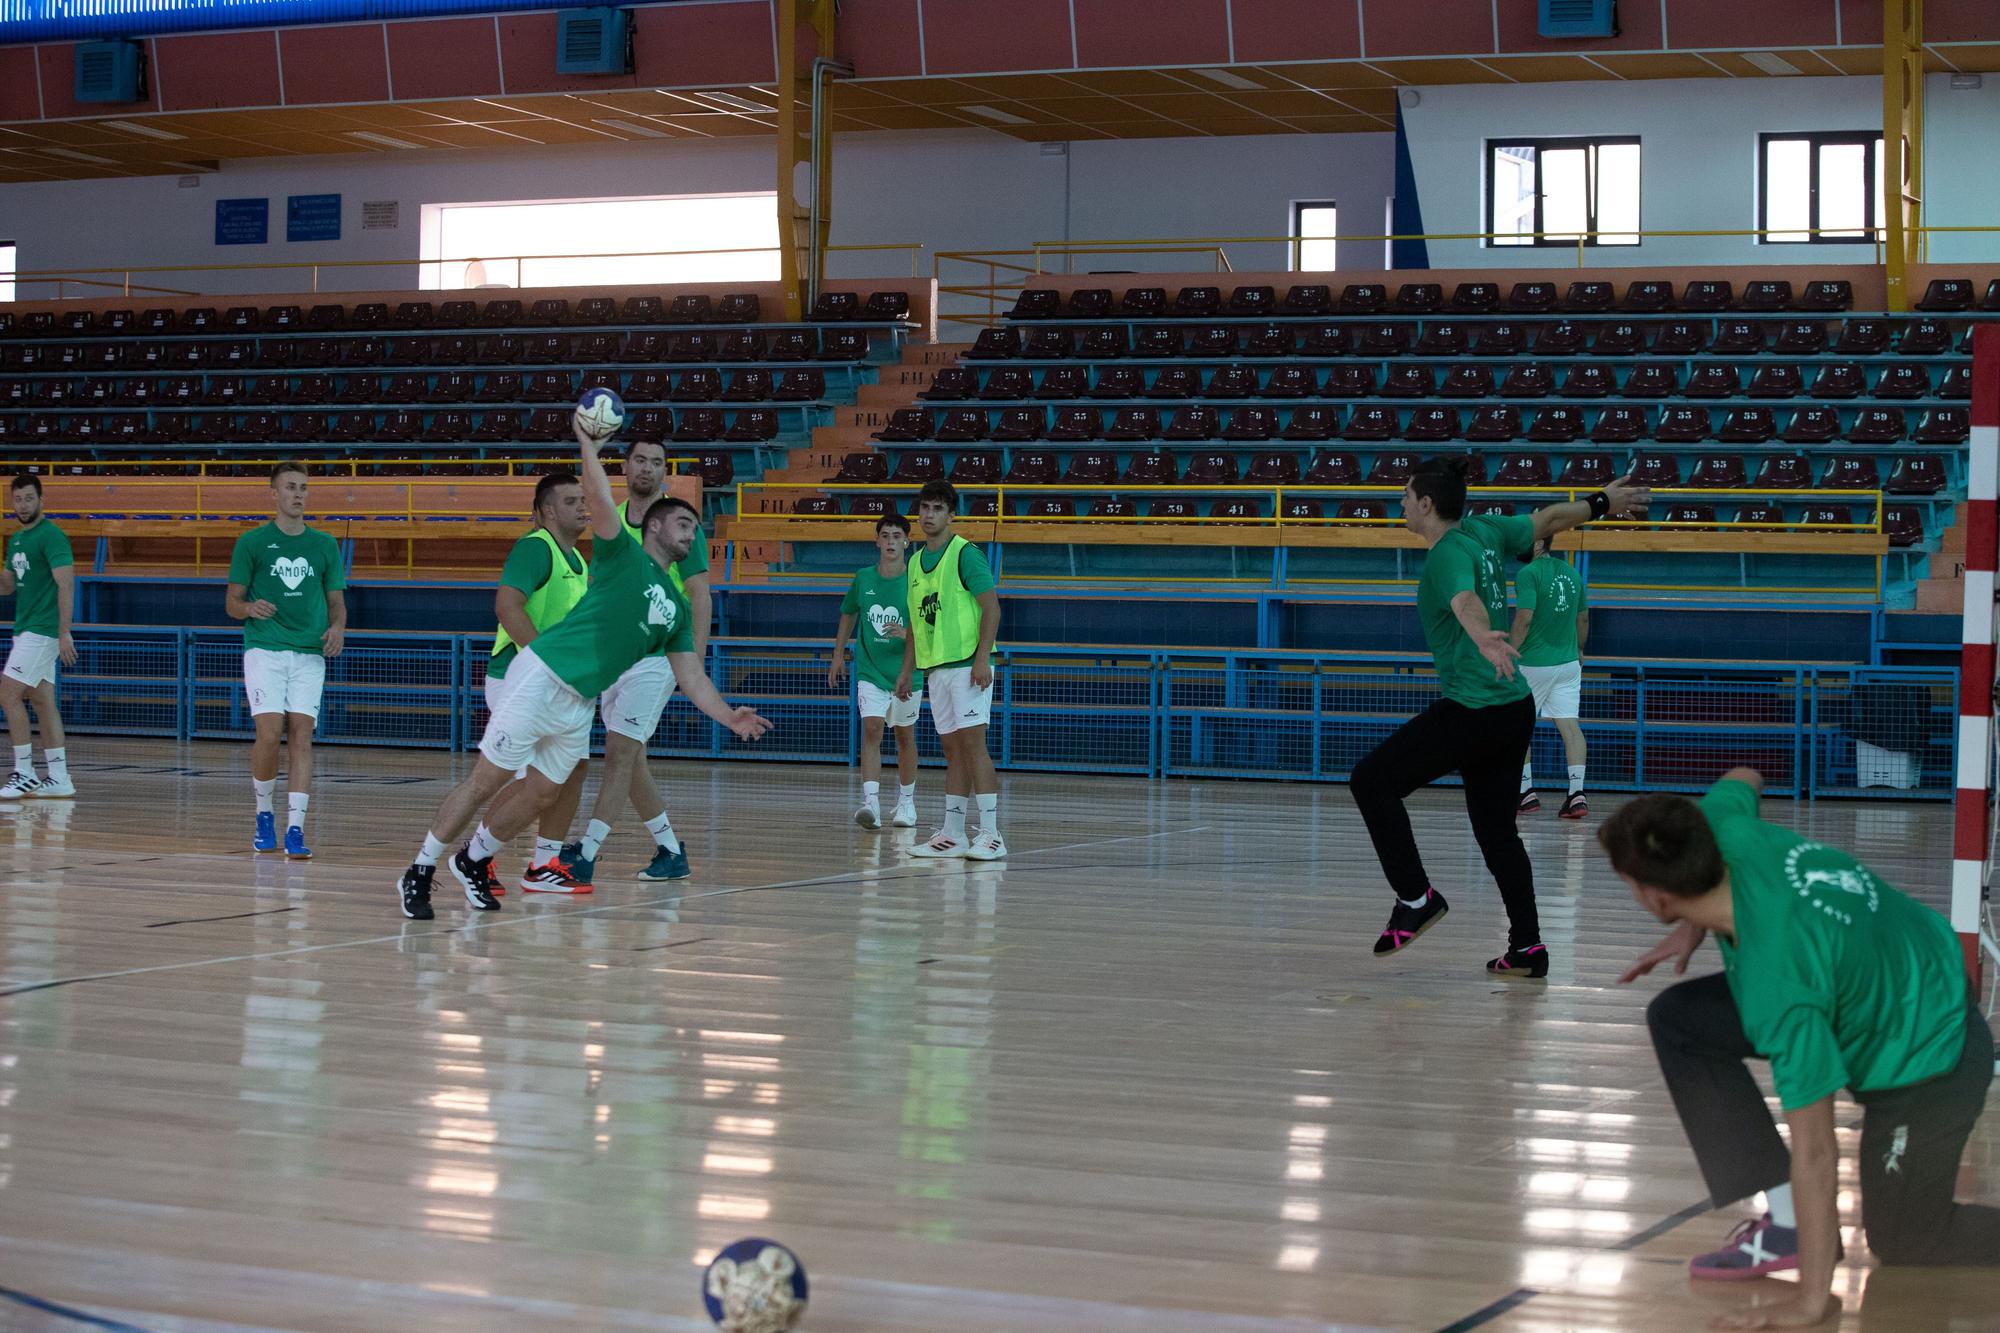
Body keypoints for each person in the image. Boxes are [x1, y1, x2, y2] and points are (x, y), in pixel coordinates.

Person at [1604, 771, 1999, 1328]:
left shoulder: (1780, 988)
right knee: (1681, 1020)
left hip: (1934, 1057)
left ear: (1658, 896)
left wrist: (1812, 1301)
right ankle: (1787, 1224)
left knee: (1909, 1238)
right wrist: (1693, 926)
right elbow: (1745, 775)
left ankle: (1815, 1239)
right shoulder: (1721, 826)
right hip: (1890, 977)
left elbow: (1816, 1152)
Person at [396, 420, 769, 920]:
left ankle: (475, 858)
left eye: (695, 529)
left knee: (545, 790)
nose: (691, 534)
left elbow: (692, 676)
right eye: (683, 524)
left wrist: (729, 717)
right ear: (654, 527)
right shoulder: (620, 555)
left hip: (579, 702)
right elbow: (594, 493)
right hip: (543, 676)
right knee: (488, 778)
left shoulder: (676, 613)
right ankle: (419, 869)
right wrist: (589, 447)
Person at [1354, 459, 1644, 978]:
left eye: (1404, 495)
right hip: (1513, 708)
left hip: (1474, 709)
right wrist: (1599, 503)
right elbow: (1549, 520)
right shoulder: (1486, 528)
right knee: (1497, 835)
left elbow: (1463, 598)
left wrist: (1483, 633)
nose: (1399, 503)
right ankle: (1528, 947)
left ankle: (1415, 898)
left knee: (1371, 781)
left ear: (1426, 504)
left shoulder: (1446, 553)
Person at [557, 436, 713, 887]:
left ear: (666, 472)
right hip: (616, 651)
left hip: (660, 652)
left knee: (619, 751)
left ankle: (585, 854)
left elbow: (700, 592)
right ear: (625, 467)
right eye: (640, 460)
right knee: (632, 756)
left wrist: (694, 664)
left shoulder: (679, 523)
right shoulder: (610, 521)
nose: (648, 468)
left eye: (657, 462)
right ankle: (670, 850)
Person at [225, 462, 346, 855]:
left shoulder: (325, 544)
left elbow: (336, 603)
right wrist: (249, 608)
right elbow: (232, 602)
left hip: (310, 652)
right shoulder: (252, 542)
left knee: (302, 734)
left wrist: (338, 629)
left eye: (304, 488)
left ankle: (296, 828)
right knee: (269, 730)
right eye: (291, 487)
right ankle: (263, 814)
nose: (299, 494)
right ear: (274, 494)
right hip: (266, 647)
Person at [489, 471, 593, 893]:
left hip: (559, 684)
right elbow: (507, 606)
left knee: (573, 769)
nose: (583, 507)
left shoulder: (579, 560)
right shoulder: (535, 547)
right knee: (525, 782)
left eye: (584, 500)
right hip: (521, 679)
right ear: (548, 511)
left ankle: (543, 863)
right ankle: (479, 857)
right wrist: (544, 662)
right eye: (572, 502)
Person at [896, 480, 1004, 860]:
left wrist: (981, 658)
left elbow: (992, 607)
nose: (929, 515)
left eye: (937, 508)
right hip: (936, 670)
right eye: (924, 507)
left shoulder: (965, 554)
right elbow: (915, 623)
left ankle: (991, 834)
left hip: (967, 667)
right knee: (952, 751)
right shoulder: (913, 562)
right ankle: (954, 833)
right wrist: (907, 670)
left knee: (974, 747)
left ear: (951, 514)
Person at [828, 512, 921, 830]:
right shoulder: (864, 577)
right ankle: (871, 803)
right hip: (869, 669)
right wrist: (838, 654)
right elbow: (847, 614)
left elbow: (929, 625)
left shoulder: (917, 580)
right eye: (885, 535)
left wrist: (907, 633)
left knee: (904, 736)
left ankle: (907, 803)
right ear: (877, 540)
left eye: (897, 535)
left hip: (908, 671)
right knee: (871, 730)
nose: (891, 541)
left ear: (907, 542)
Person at [0, 474, 77, 801]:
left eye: (29, 498)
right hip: (25, 630)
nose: (23, 505)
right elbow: (7, 586)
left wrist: (64, 633)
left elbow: (66, 583)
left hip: (42, 631)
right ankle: (59, 777)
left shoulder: (52, 536)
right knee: (43, 702)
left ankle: (25, 772)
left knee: (8, 694)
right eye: (18, 499)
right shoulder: (16, 540)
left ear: (41, 500)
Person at [1511, 536, 1590, 819]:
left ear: (1537, 544)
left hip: (1534, 663)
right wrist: (1580, 648)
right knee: (1570, 726)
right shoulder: (1572, 573)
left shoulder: (1528, 574)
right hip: (1568, 662)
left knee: (1516, 727)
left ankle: (1525, 791)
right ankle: (1577, 795)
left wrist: (1509, 650)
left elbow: (1524, 618)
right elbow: (1583, 618)